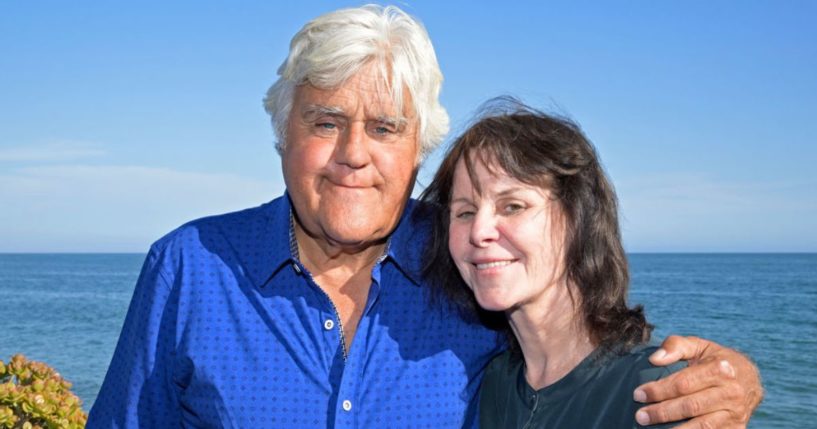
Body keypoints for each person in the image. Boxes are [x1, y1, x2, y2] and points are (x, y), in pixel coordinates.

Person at [87, 5, 762, 428]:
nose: (354, 154)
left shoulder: (468, 258)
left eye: (384, 126)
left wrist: (729, 380)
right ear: (281, 134)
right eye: (325, 121)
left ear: (416, 150)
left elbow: (573, 357)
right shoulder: (190, 265)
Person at [421, 99, 708, 427]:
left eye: (513, 206)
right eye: (465, 212)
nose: (479, 231)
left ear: (577, 219)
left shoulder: (657, 390)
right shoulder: (497, 384)